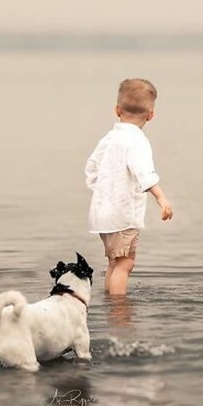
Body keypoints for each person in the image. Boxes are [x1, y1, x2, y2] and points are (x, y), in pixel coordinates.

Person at [85, 78, 173, 296]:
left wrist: (105, 192)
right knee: (125, 264)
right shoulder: (137, 140)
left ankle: (110, 303)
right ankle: (118, 310)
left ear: (117, 110)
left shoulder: (109, 138)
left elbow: (91, 169)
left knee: (115, 263)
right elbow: (144, 172)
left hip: (102, 214)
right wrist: (161, 198)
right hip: (122, 215)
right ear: (151, 115)